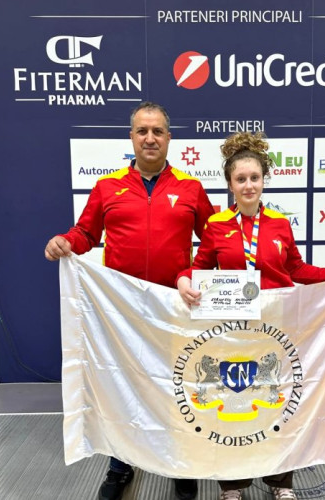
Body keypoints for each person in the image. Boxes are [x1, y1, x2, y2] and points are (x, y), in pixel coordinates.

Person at [177, 131, 325, 500]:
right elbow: (198, 268)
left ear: (264, 180)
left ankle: (281, 483)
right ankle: (231, 485)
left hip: (276, 331)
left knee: (278, 404)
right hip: (232, 333)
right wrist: (183, 280)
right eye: (241, 179)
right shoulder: (216, 225)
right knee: (233, 407)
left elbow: (297, 269)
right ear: (230, 184)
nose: (248, 185)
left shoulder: (280, 223)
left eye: (254, 178)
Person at [45, 102, 214, 500]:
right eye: (142, 131)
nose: (150, 138)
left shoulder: (190, 188)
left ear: (169, 138)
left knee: (176, 385)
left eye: (157, 131)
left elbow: (214, 240)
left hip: (174, 308)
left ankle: (179, 462)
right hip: (121, 312)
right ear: (132, 137)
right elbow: (86, 233)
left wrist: (213, 273)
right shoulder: (108, 187)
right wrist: (65, 241)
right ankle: (121, 464)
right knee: (122, 387)